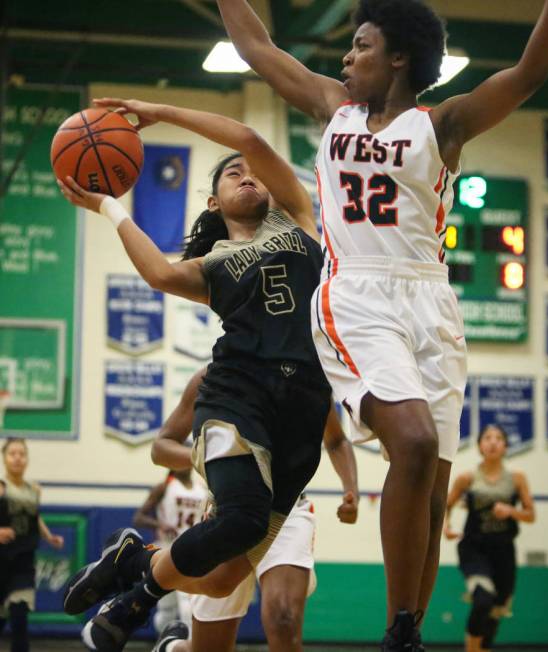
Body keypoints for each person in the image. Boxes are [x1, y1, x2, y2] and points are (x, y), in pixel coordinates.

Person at [215, 0, 548, 648]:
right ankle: (402, 628)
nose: (346, 57)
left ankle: (403, 627)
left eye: (360, 45)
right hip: (357, 294)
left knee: (431, 490)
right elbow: (257, 49)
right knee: (408, 442)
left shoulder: (443, 126)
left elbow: (528, 74)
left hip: (431, 305)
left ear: (399, 57)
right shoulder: (332, 108)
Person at [58, 98, 333, 652]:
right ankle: (136, 602)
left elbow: (252, 141)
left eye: (253, 172)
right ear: (215, 200)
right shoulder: (211, 265)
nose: (248, 174)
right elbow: (158, 272)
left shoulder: (299, 217)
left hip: (305, 407)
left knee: (222, 575)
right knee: (243, 520)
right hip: (240, 391)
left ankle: (130, 559)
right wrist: (112, 208)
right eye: (234, 173)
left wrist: (156, 111)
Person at [148, 368, 358, 652]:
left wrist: (351, 488)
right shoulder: (210, 378)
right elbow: (161, 448)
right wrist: (203, 455)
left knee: (283, 618)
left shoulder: (301, 376)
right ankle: (177, 647)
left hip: (286, 510)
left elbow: (336, 439)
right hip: (226, 513)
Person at [444, 425, 535, 652]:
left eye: (498, 438)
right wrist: (446, 527)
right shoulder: (467, 478)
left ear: (505, 445)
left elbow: (530, 514)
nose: (493, 442)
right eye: (487, 438)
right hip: (474, 548)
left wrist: (511, 512)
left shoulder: (517, 478)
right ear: (479, 446)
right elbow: (446, 506)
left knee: (495, 611)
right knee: (482, 599)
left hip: (504, 551)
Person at [0, 438, 64, 652]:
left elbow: (34, 517)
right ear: (4, 458)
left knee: (20, 617)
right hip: (1, 559)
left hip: (23, 560)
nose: (17, 458)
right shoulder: (1, 488)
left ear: (27, 459)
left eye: (22, 454)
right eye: (12, 453)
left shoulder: (34, 489)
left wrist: (48, 536)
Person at [133, 468, 210, 632]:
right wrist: (159, 524)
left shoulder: (201, 489)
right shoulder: (164, 487)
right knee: (166, 608)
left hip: (193, 550)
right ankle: (164, 643)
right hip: (167, 549)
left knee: (187, 603)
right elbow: (138, 517)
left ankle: (189, 645)